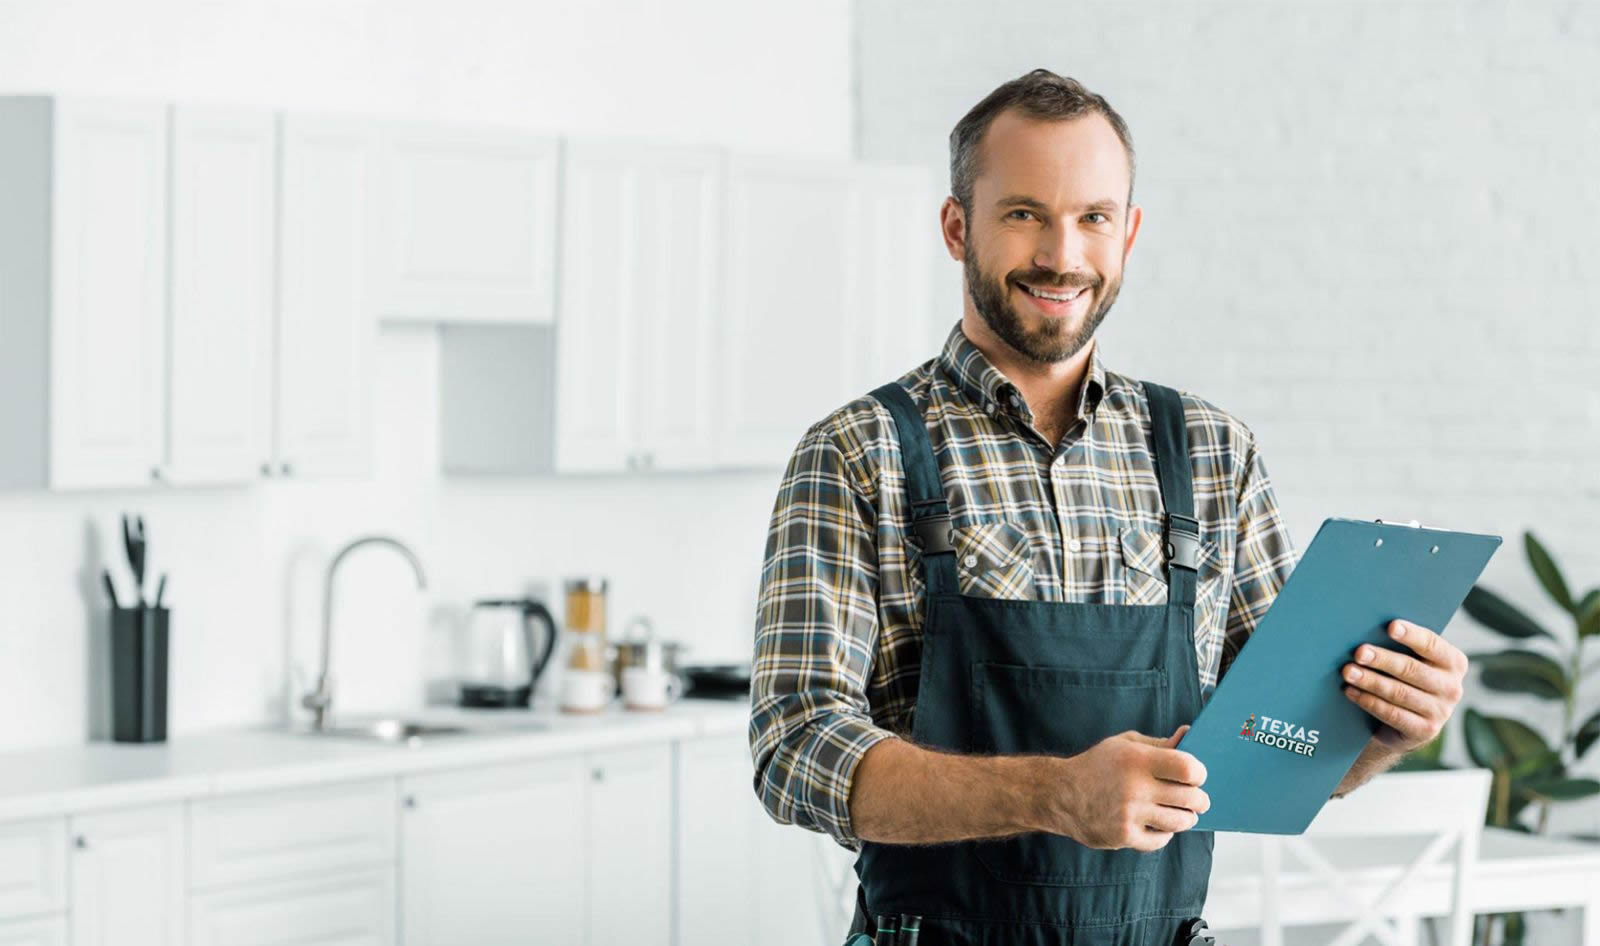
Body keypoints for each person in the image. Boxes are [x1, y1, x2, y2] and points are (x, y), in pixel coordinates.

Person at [749, 68, 1470, 945]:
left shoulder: (1213, 451)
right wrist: (1054, 794)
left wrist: (1386, 729)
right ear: (957, 227)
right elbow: (793, 751)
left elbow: (1275, 749)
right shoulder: (859, 450)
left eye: (1093, 217)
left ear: (1127, 232)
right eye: (1024, 213)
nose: (1062, 255)